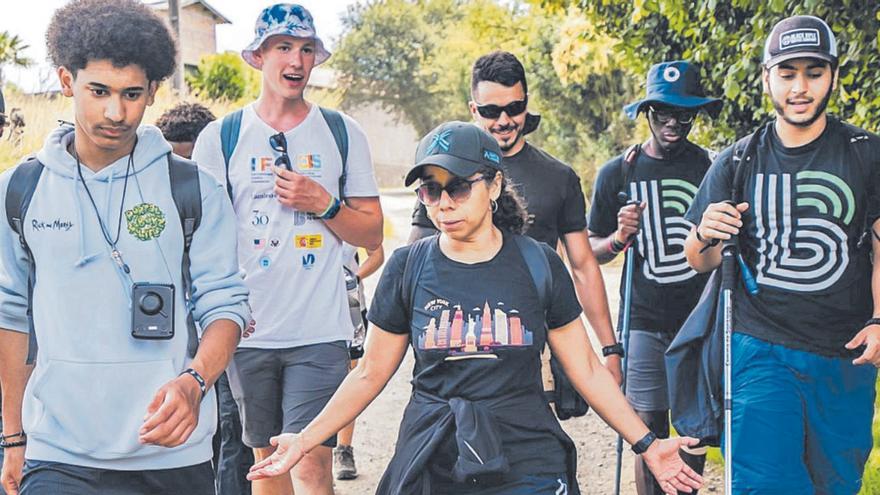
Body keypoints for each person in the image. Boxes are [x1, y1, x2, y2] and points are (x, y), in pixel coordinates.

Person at [248, 121, 704, 495]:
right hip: (436, 451)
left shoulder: (536, 262)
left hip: (526, 452)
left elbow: (584, 367)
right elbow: (369, 372)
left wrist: (646, 443)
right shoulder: (409, 267)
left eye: (460, 187)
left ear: (495, 186)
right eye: (430, 190)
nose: (444, 203)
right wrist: (305, 440)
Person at [0, 1, 250, 494]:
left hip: (173, 450)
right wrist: (12, 436)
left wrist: (195, 382)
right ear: (67, 80)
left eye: (132, 94)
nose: (115, 112)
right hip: (59, 454)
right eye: (99, 91)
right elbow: (11, 316)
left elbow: (226, 304)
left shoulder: (195, 190)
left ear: (154, 92)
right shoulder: (20, 190)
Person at [683, 15, 880, 494]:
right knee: (765, 483)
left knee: (834, 485)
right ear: (767, 76)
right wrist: (707, 234)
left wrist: (879, 320)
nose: (800, 87)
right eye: (787, 73)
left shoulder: (866, 154)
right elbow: (697, 258)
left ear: (833, 76)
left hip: (844, 355)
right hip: (758, 347)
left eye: (814, 72)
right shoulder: (736, 160)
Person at [191, 4, 383, 494]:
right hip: (248, 332)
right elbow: (202, 241)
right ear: (257, 57)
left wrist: (322, 201)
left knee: (312, 462)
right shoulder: (221, 137)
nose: (296, 61)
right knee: (266, 463)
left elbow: (372, 234)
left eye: (305, 49)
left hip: (319, 330)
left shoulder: (342, 131)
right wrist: (219, 315)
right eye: (283, 48)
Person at [409, 51, 622, 391]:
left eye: (515, 107)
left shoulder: (559, 177)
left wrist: (610, 350)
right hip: (458, 346)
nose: (505, 120)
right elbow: (416, 264)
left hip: (531, 346)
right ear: (473, 109)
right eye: (492, 111)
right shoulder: (443, 173)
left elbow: (582, 266)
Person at [588, 60, 721, 494]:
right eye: (662, 112)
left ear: (696, 115)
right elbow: (587, 252)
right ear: (647, 113)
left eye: (684, 114)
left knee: (696, 425)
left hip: (699, 318)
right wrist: (620, 237)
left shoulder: (712, 168)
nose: (672, 123)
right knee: (646, 426)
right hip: (644, 318)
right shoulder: (618, 173)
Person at [156, 101, 256, 495]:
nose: (187, 176)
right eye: (177, 162)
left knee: (233, 435)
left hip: (226, 340)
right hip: (168, 351)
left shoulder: (220, 197)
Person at [333, 243, 384, 480]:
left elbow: (377, 254)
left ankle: (344, 449)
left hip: (351, 306)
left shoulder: (350, 210)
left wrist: (351, 278)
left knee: (349, 378)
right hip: (307, 312)